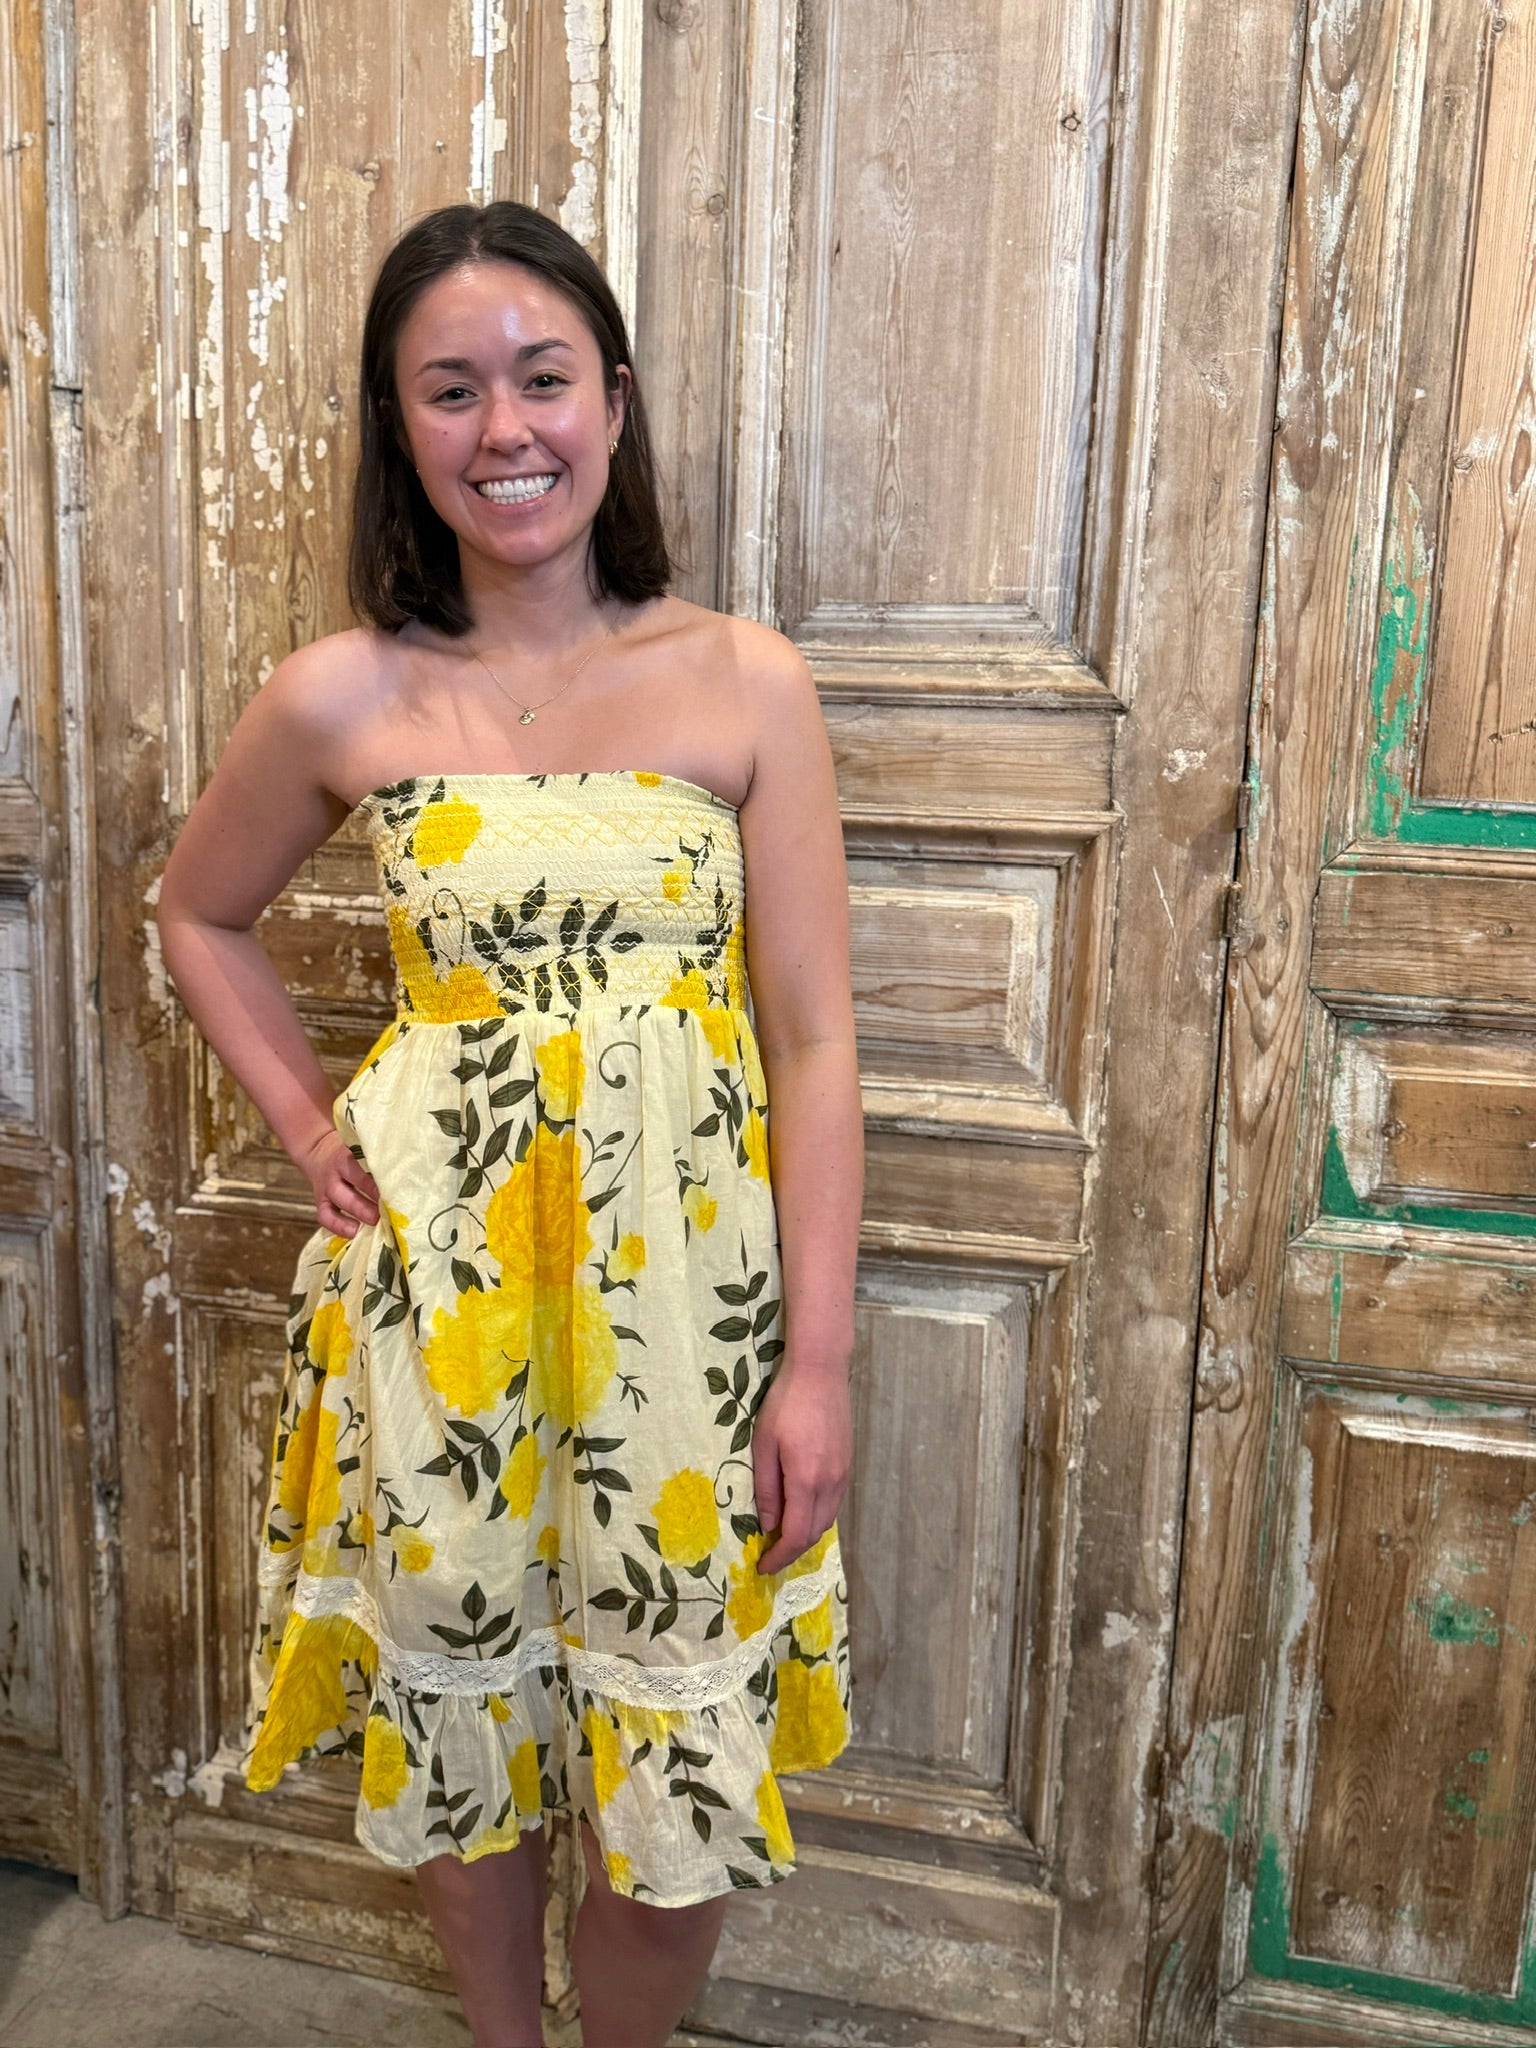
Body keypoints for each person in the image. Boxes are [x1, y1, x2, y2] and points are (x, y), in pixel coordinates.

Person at [155, 200, 861, 2048]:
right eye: (450, 390)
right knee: (466, 1720)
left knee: (668, 1771)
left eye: (543, 378)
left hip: (686, 1321)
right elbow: (197, 912)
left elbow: (811, 1037)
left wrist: (817, 1365)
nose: (506, 429)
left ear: (612, 400)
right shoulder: (344, 693)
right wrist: (308, 1124)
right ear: (401, 428)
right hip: (441, 1300)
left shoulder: (745, 679)